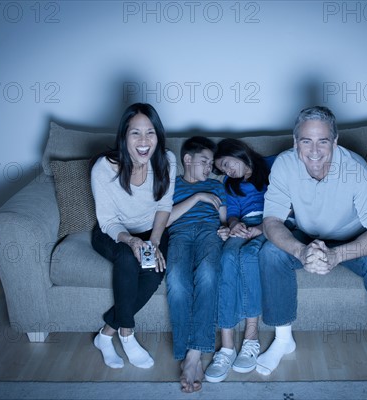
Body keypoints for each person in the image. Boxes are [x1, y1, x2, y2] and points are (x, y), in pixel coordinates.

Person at [257, 106, 367, 392]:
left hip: (351, 239)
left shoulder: (356, 170)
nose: (314, 150)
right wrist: (301, 252)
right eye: (306, 141)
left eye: (323, 141)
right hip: (307, 235)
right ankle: (283, 339)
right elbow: (271, 221)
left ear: (335, 142)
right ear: (295, 141)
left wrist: (336, 256)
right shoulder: (285, 165)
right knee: (270, 253)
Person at [90, 103, 176, 370]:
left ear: (158, 136)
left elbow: (164, 206)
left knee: (153, 270)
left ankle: (105, 334)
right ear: (123, 136)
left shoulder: (167, 160)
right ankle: (127, 334)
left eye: (150, 133)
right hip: (113, 233)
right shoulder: (104, 168)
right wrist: (131, 241)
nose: (143, 141)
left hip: (151, 232)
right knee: (127, 259)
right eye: (135, 133)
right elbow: (107, 220)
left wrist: (154, 242)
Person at [204, 138, 274, 383]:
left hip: (272, 227)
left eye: (226, 164)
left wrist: (263, 228)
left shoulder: (273, 165)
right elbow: (232, 213)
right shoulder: (229, 183)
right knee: (228, 257)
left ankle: (251, 339)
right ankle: (226, 347)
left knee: (247, 257)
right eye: (222, 169)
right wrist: (234, 225)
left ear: (238, 152)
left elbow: (290, 202)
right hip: (244, 227)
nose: (227, 171)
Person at [165, 136, 229, 393]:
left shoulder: (218, 187)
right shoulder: (171, 186)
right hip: (179, 233)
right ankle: (186, 350)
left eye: (211, 163)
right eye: (204, 161)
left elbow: (223, 221)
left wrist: (225, 231)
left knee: (208, 274)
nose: (209, 168)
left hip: (208, 232)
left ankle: (193, 355)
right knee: (177, 282)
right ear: (187, 160)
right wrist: (198, 197)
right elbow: (165, 220)